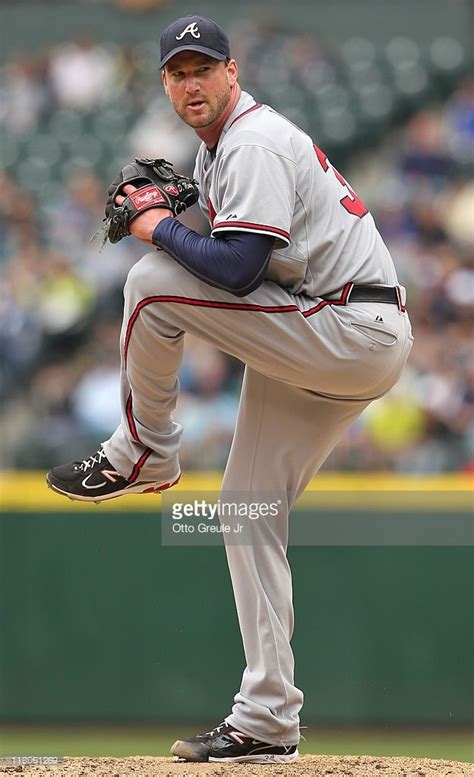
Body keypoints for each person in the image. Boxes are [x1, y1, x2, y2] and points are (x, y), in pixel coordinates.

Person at [46, 15, 414, 764]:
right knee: (246, 509)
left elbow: (240, 268)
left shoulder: (251, 140)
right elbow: (237, 254)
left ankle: (144, 448)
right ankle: (268, 717)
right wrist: (177, 214)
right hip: (333, 333)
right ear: (165, 85)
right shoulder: (221, 152)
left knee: (150, 285)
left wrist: (155, 227)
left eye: (202, 69)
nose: (190, 83)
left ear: (232, 72)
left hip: (348, 323)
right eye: (177, 73)